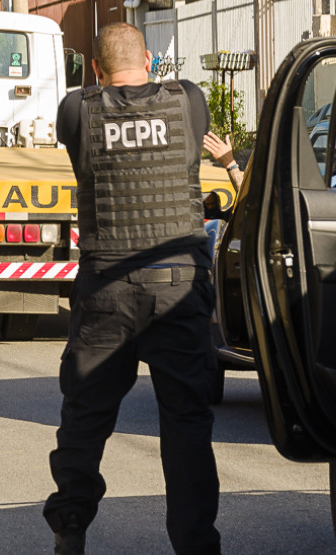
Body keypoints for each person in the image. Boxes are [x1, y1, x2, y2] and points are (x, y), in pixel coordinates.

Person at [44, 23, 221, 555]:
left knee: (85, 417)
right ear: (149, 60)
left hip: (107, 288)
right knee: (187, 423)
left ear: (95, 70)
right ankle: (196, 545)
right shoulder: (188, 100)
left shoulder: (77, 110)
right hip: (178, 288)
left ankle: (70, 528)